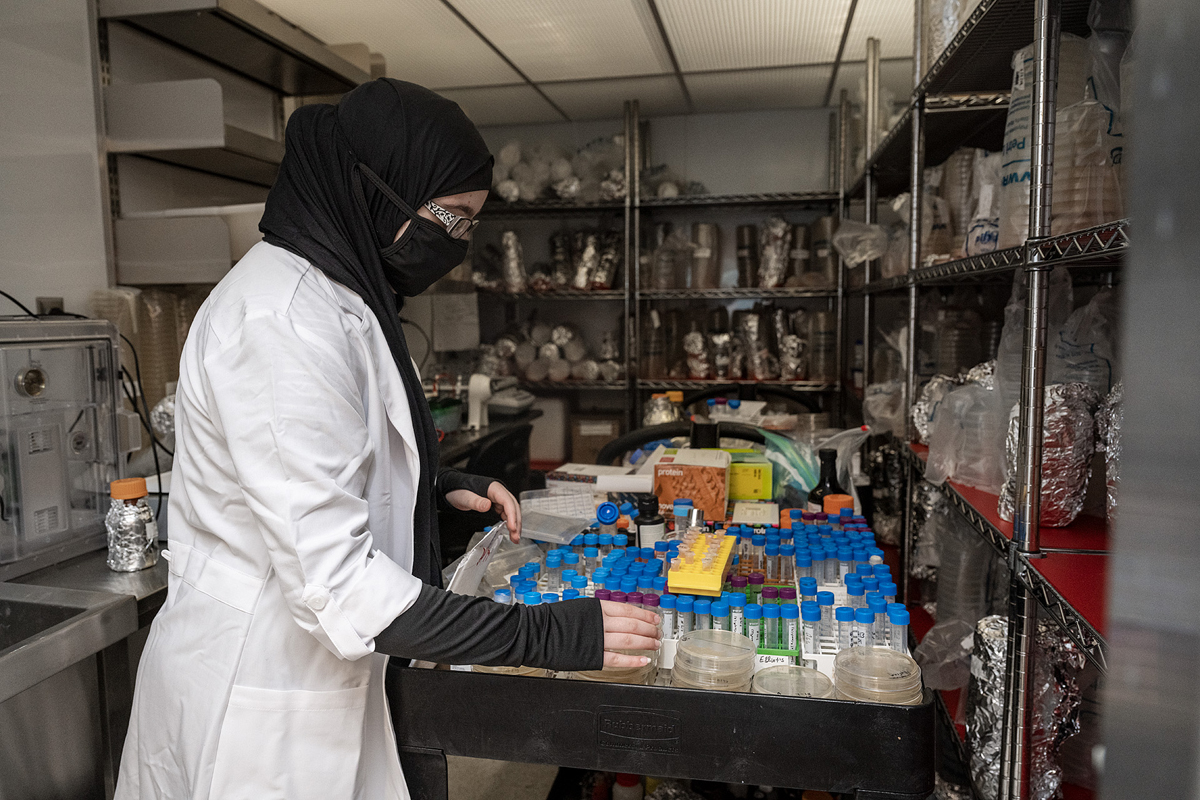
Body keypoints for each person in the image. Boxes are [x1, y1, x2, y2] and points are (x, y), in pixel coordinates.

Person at [114, 79, 660, 800]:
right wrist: (547, 637)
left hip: (322, 679)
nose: (457, 247)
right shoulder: (281, 320)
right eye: (452, 219)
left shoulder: (344, 295)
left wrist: (425, 489)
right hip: (256, 700)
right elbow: (338, 586)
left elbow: (307, 467)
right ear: (379, 190)